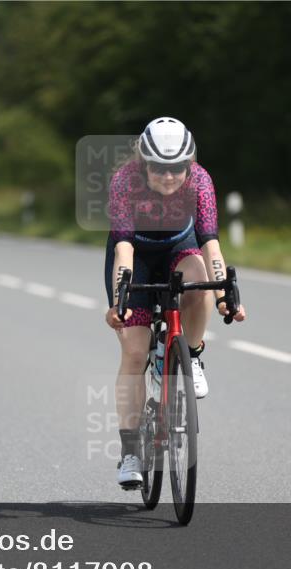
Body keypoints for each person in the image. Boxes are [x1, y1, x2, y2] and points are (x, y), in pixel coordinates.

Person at [103, 117, 246, 488]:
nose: (169, 177)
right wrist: (121, 299)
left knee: (198, 276)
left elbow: (210, 243)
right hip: (136, 254)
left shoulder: (199, 180)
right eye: (159, 168)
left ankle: (193, 355)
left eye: (177, 168)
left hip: (180, 249)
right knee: (134, 353)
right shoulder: (124, 182)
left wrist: (224, 298)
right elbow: (122, 248)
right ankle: (131, 451)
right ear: (143, 163)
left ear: (189, 163)